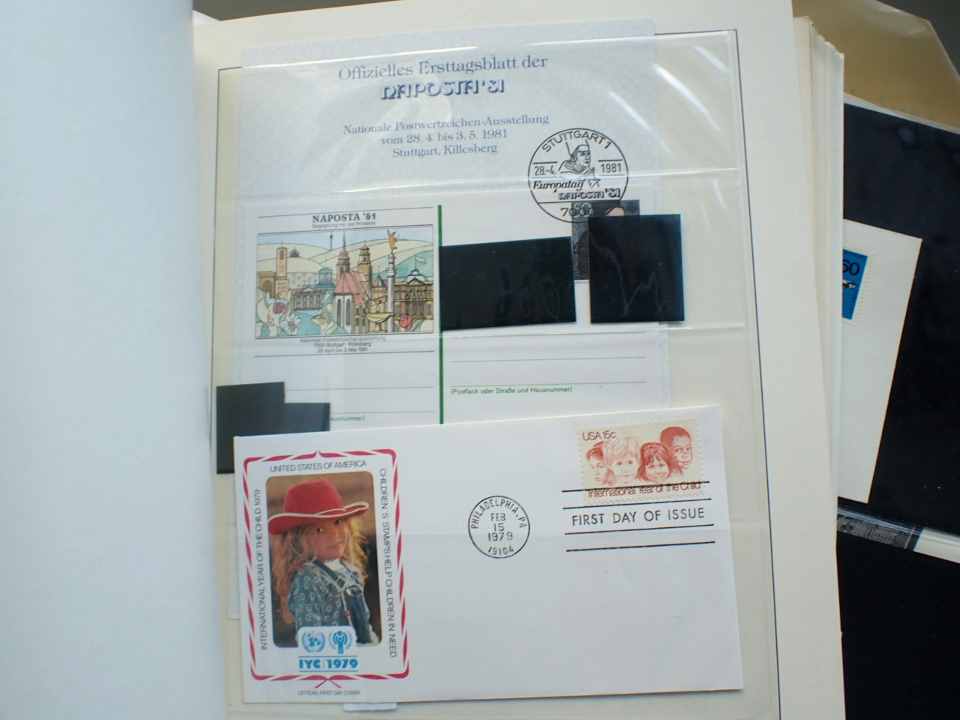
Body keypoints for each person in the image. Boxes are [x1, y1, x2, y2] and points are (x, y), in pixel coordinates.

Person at [269, 478, 377, 644]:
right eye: (319, 530)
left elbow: (365, 627)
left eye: (338, 522)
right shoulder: (308, 580)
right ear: (299, 540)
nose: (334, 534)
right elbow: (311, 637)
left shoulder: (351, 572)